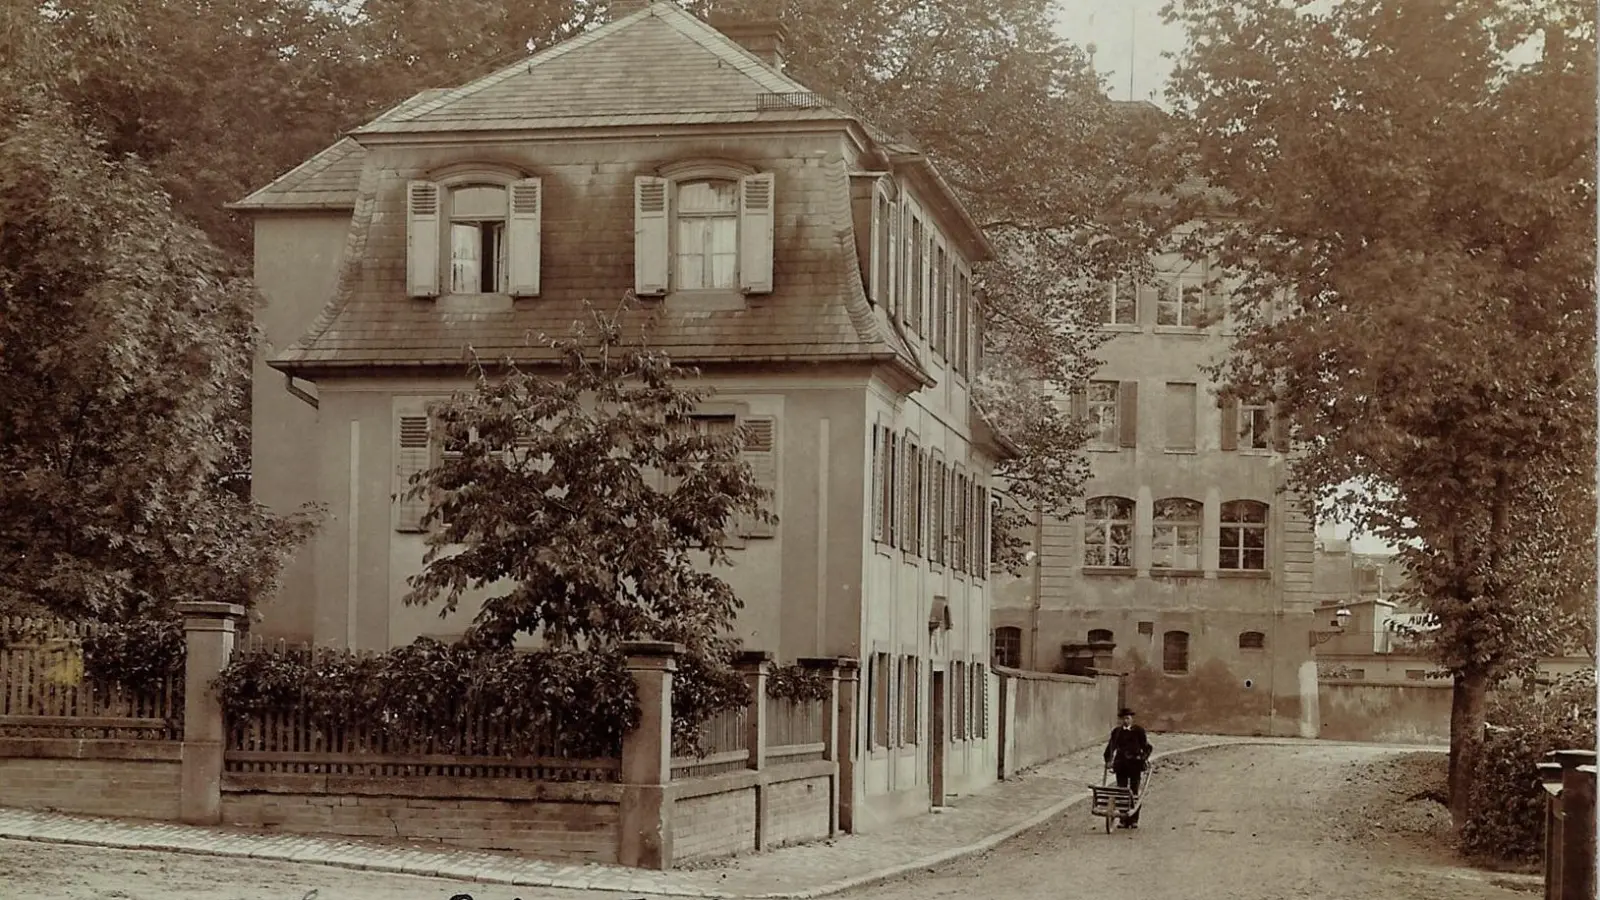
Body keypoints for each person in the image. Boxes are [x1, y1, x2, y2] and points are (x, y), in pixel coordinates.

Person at [1102, 707, 1152, 828]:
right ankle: (1123, 819)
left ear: (1132, 719)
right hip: (1121, 765)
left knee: (1134, 791)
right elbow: (1110, 748)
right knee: (1122, 791)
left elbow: (1147, 747)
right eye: (1123, 719)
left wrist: (1143, 758)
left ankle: (1134, 819)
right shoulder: (1117, 732)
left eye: (1128, 718)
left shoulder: (1139, 731)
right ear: (1120, 720)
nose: (1126, 721)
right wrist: (1108, 760)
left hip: (1135, 765)